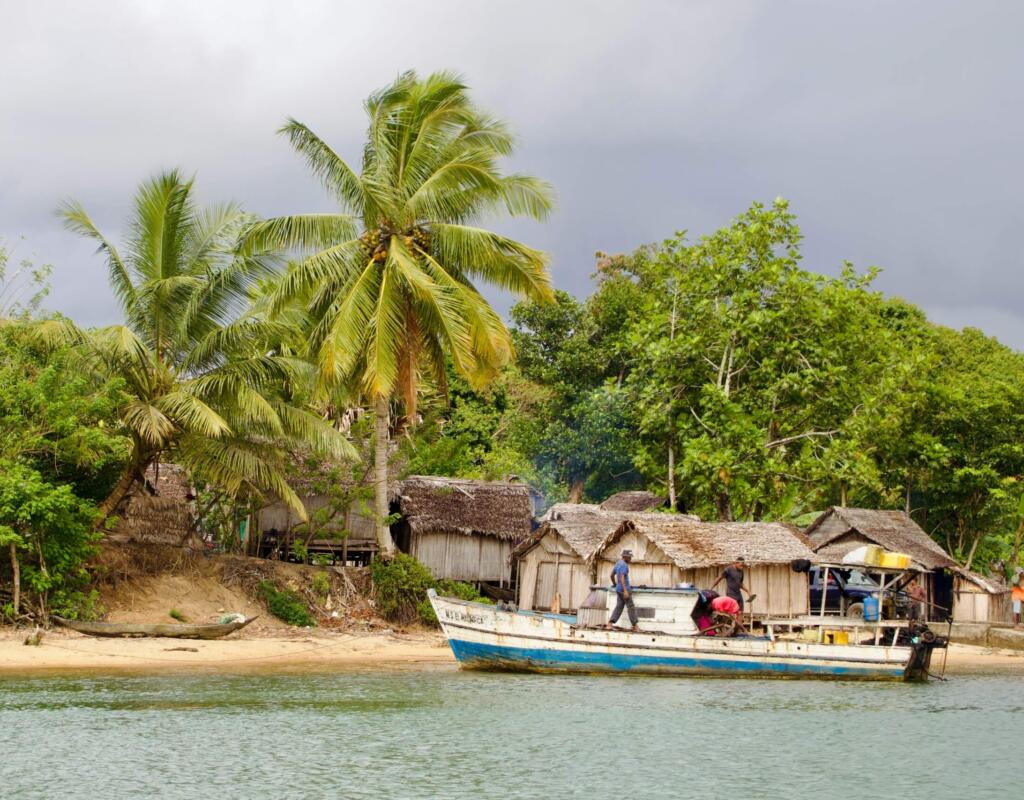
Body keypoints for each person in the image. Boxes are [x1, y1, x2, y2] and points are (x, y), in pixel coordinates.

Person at [605, 549, 638, 631]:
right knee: (631, 607)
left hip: (619, 589)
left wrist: (615, 584)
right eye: (629, 557)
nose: (630, 559)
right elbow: (622, 577)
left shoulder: (618, 563)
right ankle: (635, 626)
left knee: (619, 607)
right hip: (624, 589)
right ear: (625, 557)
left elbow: (612, 575)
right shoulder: (624, 565)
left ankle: (609, 624)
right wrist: (625, 590)